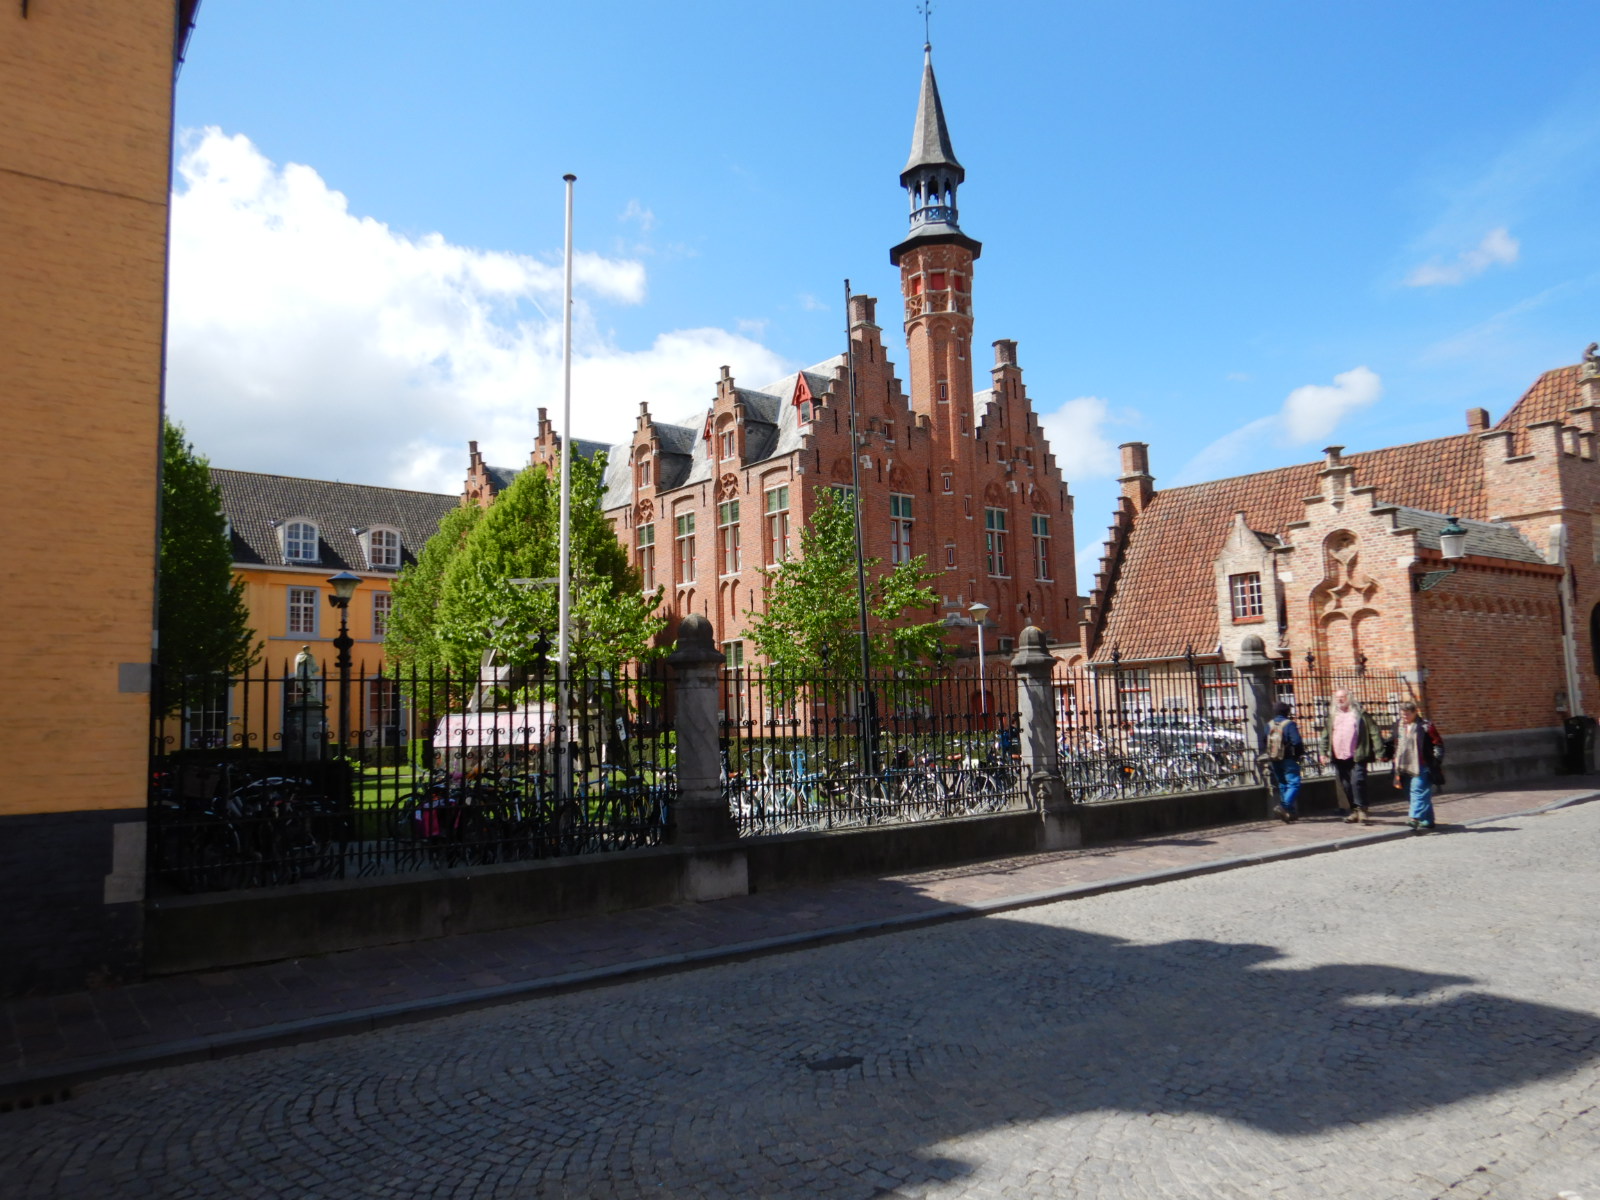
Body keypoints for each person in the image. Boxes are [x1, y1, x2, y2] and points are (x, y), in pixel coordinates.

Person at [1321, 688, 1382, 825]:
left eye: (1342, 697)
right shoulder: (1333, 716)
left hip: (1357, 754)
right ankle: (1354, 810)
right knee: (1346, 785)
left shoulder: (1360, 714)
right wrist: (1323, 752)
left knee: (1357, 781)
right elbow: (1326, 735)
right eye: (1337, 697)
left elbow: (1374, 731)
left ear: (1349, 698)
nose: (1339, 699)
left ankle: (1362, 810)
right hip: (1339, 755)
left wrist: (1379, 751)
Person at [1386, 700, 1444, 832]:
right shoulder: (1398, 726)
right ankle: (1428, 820)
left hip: (1422, 765)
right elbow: (1391, 743)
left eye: (1407, 714)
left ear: (1414, 713)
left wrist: (1436, 761)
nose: (1404, 717)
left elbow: (1438, 744)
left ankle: (1414, 818)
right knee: (1412, 793)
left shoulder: (1425, 726)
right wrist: (1385, 755)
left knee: (1417, 791)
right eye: (1402, 714)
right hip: (1403, 766)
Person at [1266, 701, 1305, 823]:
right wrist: (1298, 754)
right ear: (1287, 712)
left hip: (1274, 758)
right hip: (1288, 758)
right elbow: (1296, 741)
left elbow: (1264, 740)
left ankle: (1289, 812)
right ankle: (1284, 806)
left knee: (1283, 784)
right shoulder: (1289, 724)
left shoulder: (1269, 724)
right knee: (1294, 783)